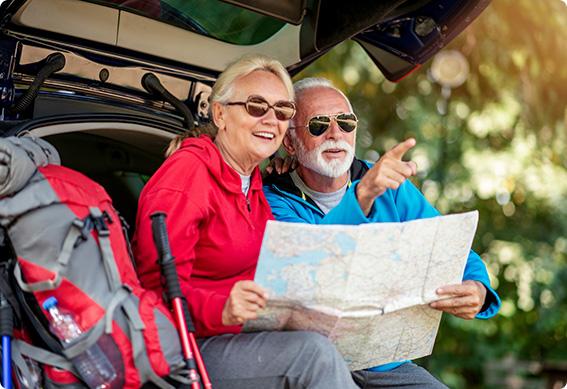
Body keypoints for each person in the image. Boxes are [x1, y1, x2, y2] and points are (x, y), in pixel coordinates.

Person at [132, 57, 360, 389]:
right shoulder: (187, 176)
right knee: (313, 356)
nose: (271, 119)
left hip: (241, 333)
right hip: (185, 346)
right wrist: (221, 307)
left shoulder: (252, 180)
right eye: (256, 106)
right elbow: (155, 289)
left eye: (282, 111)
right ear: (220, 113)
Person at [263, 77, 502, 388]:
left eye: (346, 123)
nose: (336, 134)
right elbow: (313, 266)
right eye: (318, 125)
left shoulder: (390, 185)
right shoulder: (272, 199)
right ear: (291, 142)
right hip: (313, 361)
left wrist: (478, 289)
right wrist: (362, 196)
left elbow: (446, 246)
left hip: (384, 364)